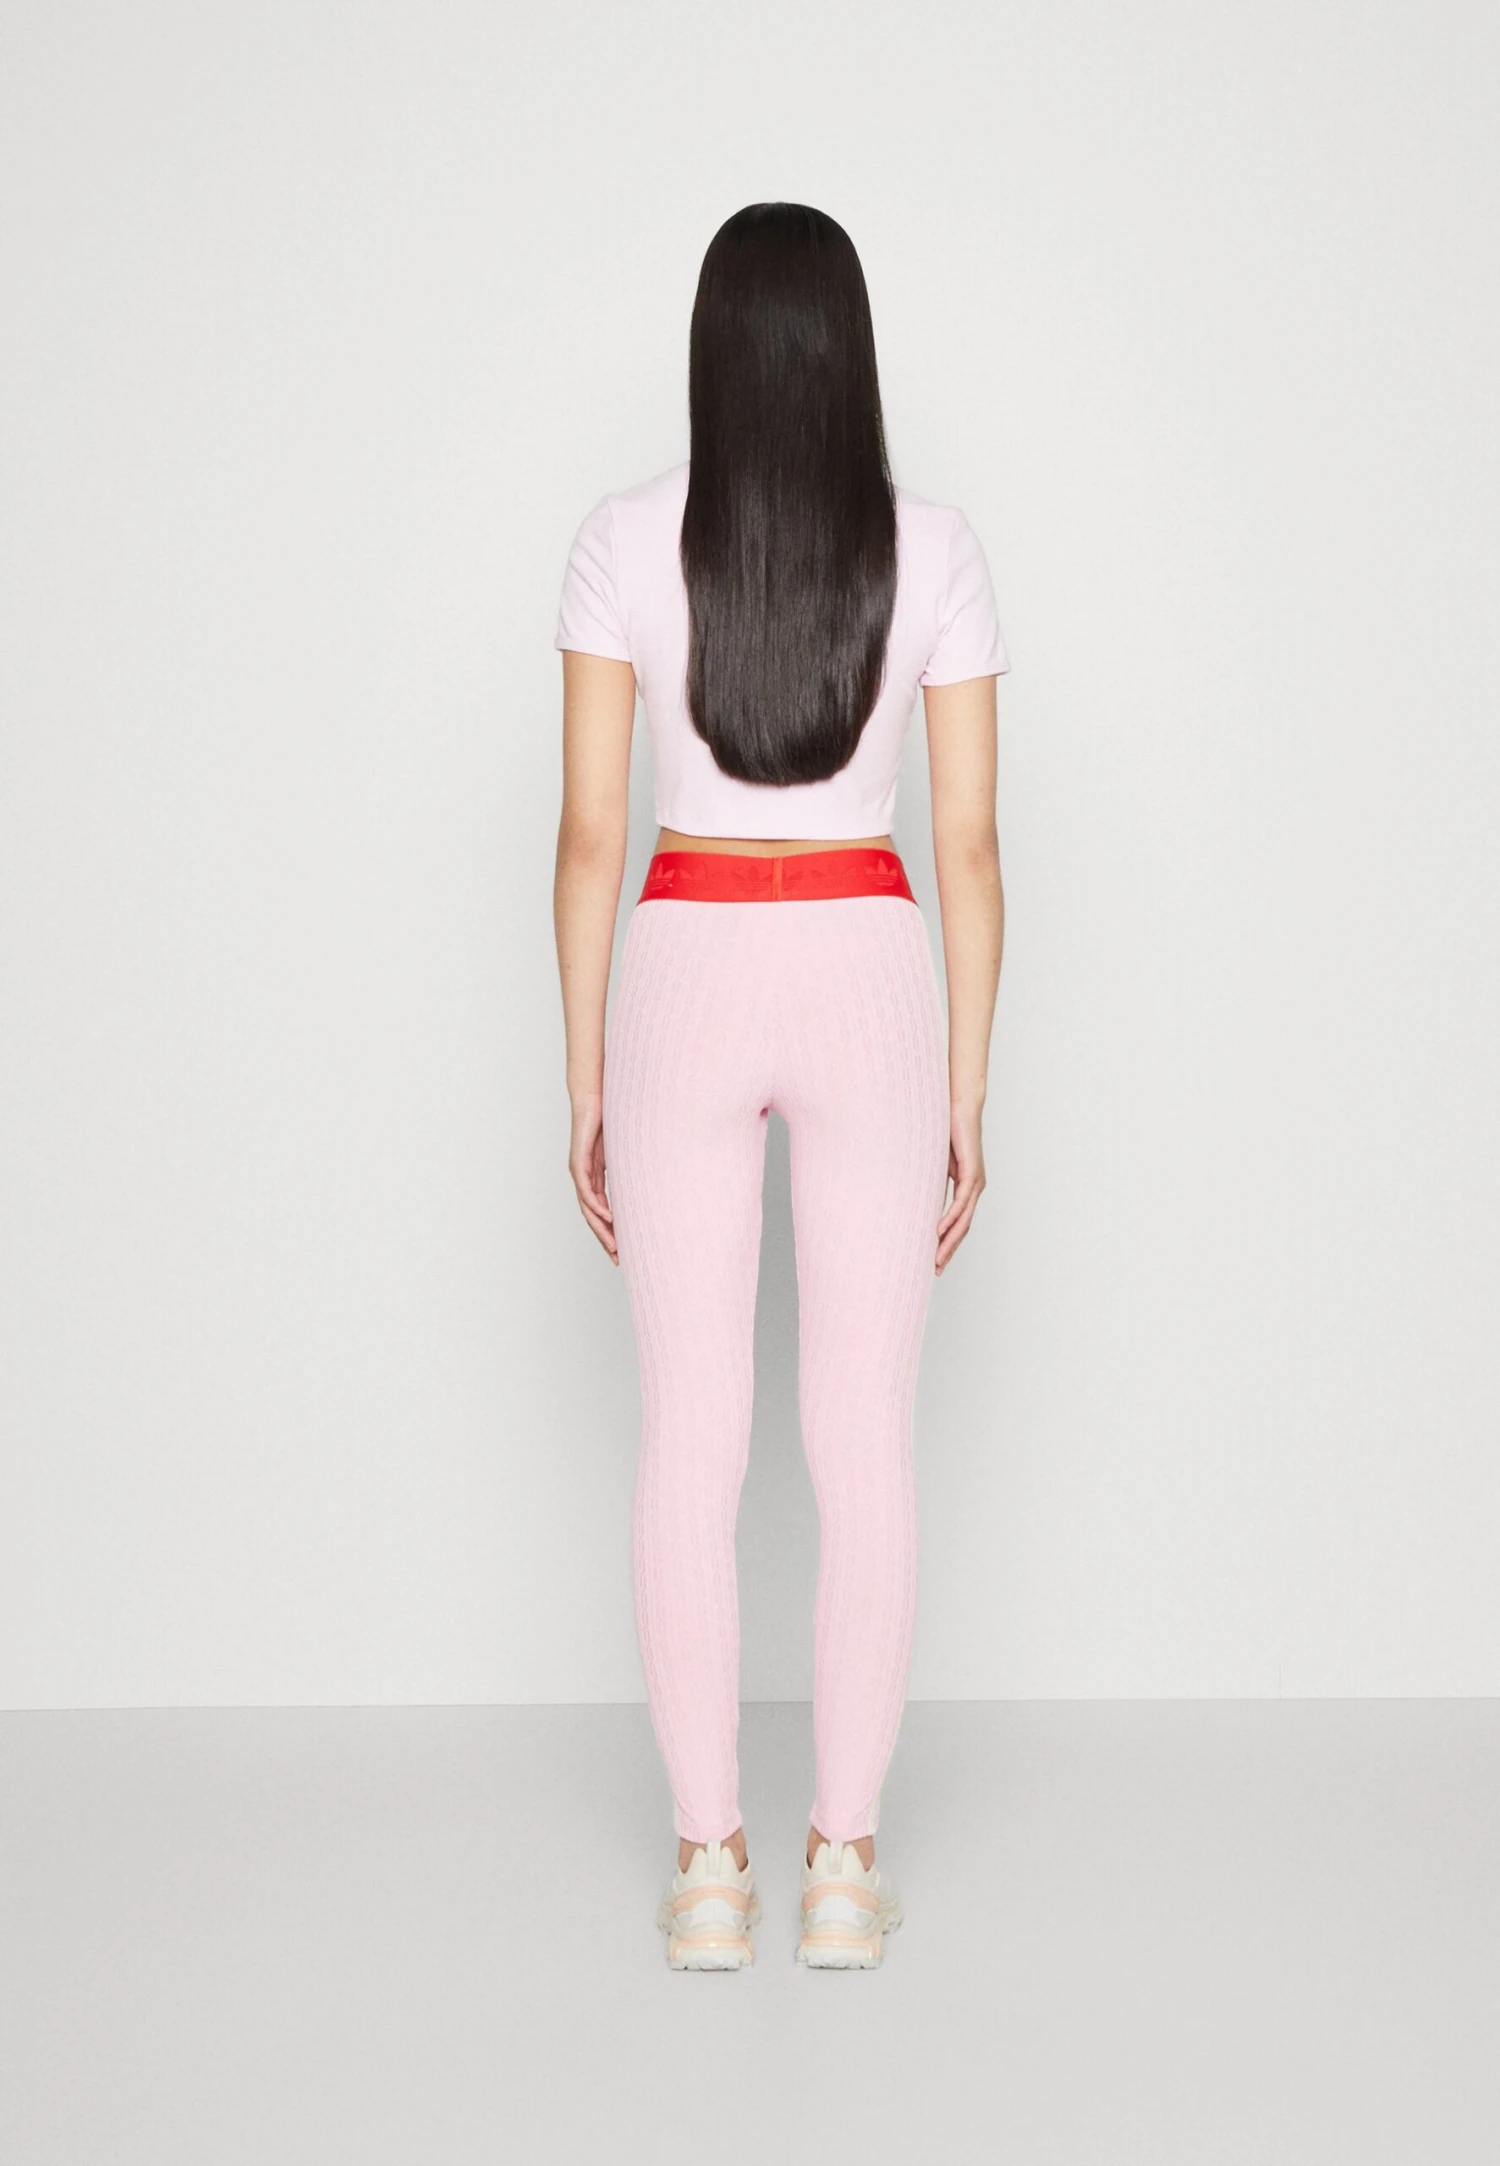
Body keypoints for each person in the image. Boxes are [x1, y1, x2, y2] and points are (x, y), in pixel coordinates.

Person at [552, 202, 1009, 1970]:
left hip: (681, 957)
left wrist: (583, 1075)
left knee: (690, 1432)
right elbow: (965, 848)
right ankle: (841, 1865)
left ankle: (706, 1869)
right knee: (862, 1434)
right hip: (869, 966)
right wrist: (967, 1087)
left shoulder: (618, 538)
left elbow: (591, 834)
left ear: (713, 351)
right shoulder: (936, 548)